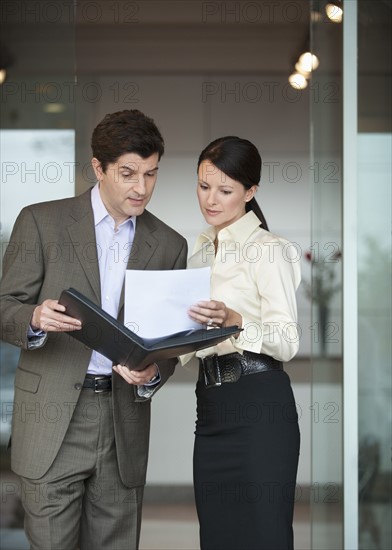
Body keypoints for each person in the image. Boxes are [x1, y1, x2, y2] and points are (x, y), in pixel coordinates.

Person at [0, 109, 188, 550]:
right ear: (98, 168)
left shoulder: (170, 244)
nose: (141, 187)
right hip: (51, 421)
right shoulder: (41, 222)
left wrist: (154, 373)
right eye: (127, 173)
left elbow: (171, 346)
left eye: (151, 174)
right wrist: (33, 317)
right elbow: (4, 306)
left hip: (123, 423)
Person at [183, 136, 301, 550]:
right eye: (203, 186)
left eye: (226, 190)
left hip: (260, 409)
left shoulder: (270, 251)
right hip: (211, 409)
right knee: (217, 536)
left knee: (263, 537)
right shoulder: (198, 252)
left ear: (250, 192)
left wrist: (237, 323)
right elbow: (190, 338)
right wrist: (146, 357)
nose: (210, 199)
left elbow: (287, 342)